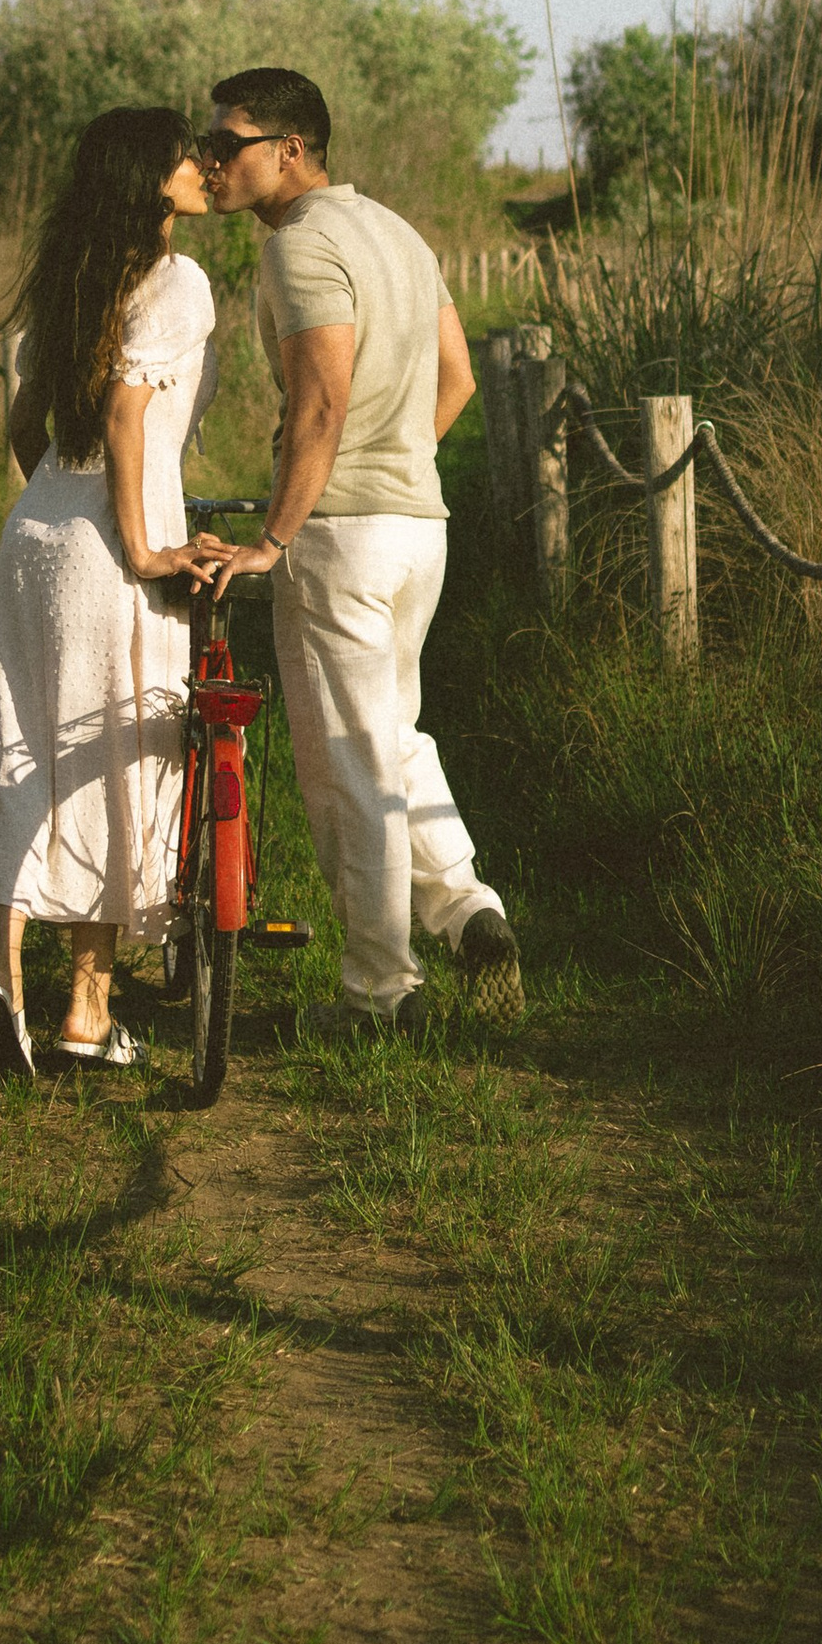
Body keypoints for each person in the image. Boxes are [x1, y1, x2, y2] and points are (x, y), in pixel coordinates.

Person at [197, 66, 522, 1033]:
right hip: (419, 529)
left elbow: (321, 404)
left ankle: (381, 992)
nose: (213, 161)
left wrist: (275, 539)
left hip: (342, 538)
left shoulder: (302, 247)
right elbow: (456, 377)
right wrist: (399, 466)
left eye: (230, 144)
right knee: (392, 734)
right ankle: (468, 913)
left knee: (350, 765)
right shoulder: (398, 233)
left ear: (290, 150)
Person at [0, 104, 219, 1080]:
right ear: (145, 180)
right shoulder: (177, 282)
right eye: (183, 157)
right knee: (117, 753)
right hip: (111, 547)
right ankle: (85, 1005)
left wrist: (59, 496)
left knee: (24, 744)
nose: (203, 166)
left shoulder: (71, 283)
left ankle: (1, 975)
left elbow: (28, 423)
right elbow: (127, 414)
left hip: (35, 529)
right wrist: (146, 545)